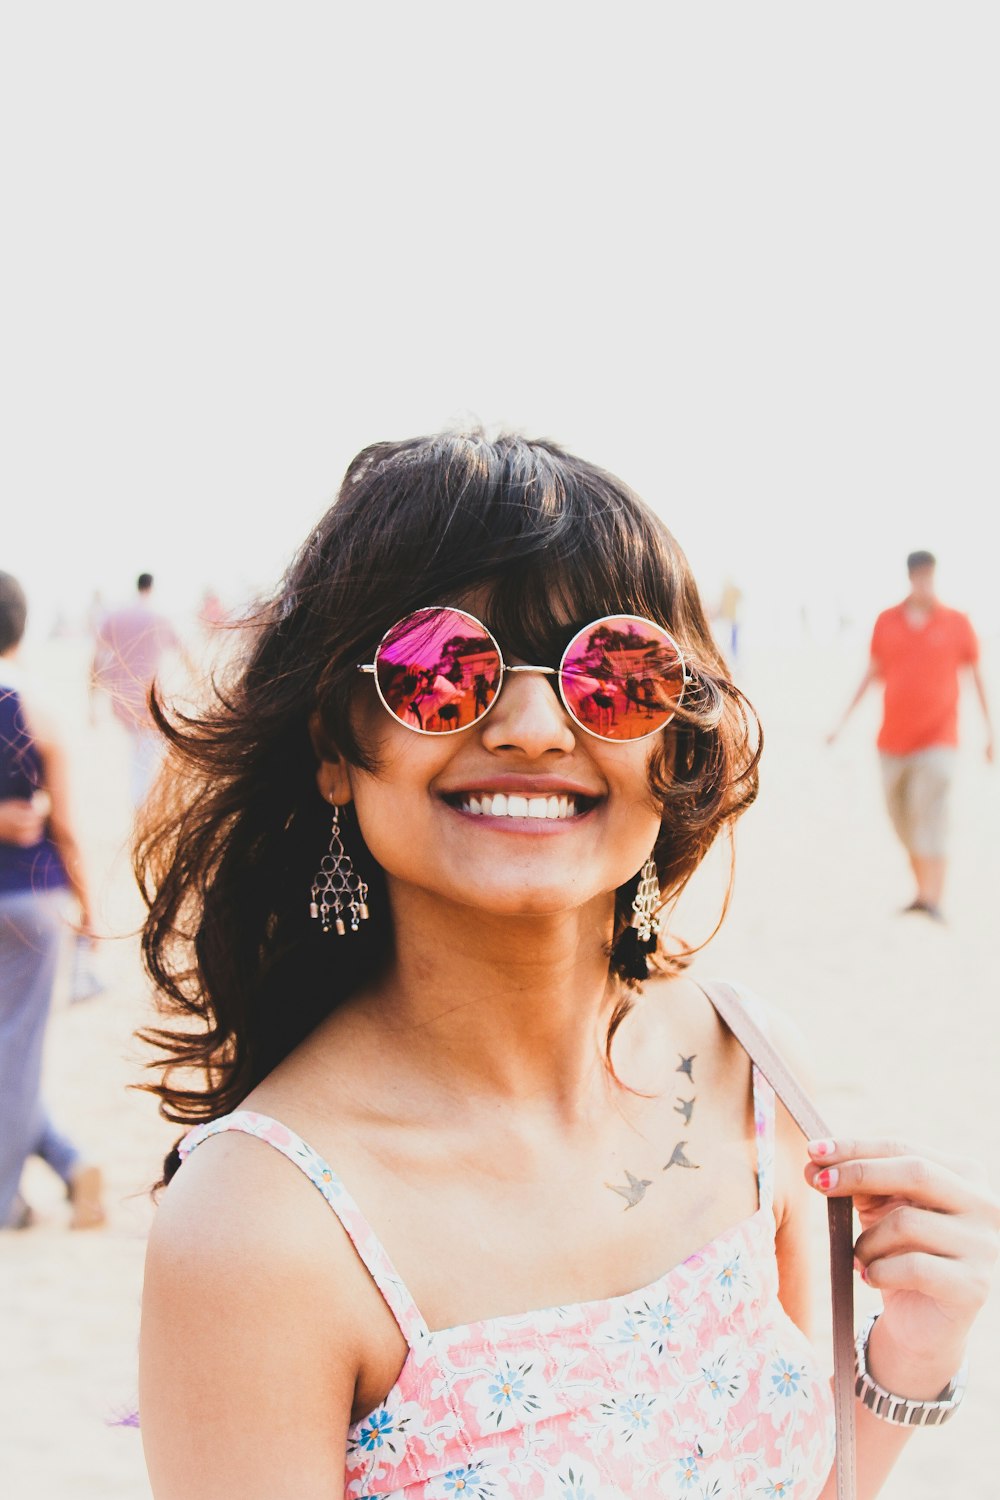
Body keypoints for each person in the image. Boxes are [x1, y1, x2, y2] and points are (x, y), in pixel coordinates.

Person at [135, 435, 998, 1499]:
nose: (538, 728)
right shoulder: (258, 1229)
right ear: (334, 739)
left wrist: (911, 1357)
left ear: (675, 748)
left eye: (615, 674)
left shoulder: (755, 1071)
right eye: (442, 671)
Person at [0, 572, 105, 1231]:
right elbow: (65, 826)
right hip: (34, 903)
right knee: (16, 1049)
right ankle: (62, 1164)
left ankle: (35, 1180)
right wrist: (91, 909)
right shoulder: (38, 711)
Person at [827, 550, 993, 920]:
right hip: (892, 742)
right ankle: (922, 892)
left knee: (930, 811)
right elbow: (870, 674)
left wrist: (990, 733)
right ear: (910, 579)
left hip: (940, 740)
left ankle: (935, 898)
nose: (925, 584)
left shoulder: (957, 622)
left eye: (930, 577)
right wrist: (841, 724)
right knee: (900, 818)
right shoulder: (887, 621)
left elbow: (978, 678)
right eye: (919, 577)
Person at [90, 573, 188, 809]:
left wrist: (91, 702)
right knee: (146, 756)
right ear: (152, 588)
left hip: (121, 699)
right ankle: (143, 806)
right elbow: (185, 653)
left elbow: (96, 659)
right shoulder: (161, 617)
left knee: (140, 752)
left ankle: (142, 804)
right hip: (150, 700)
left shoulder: (115, 616)